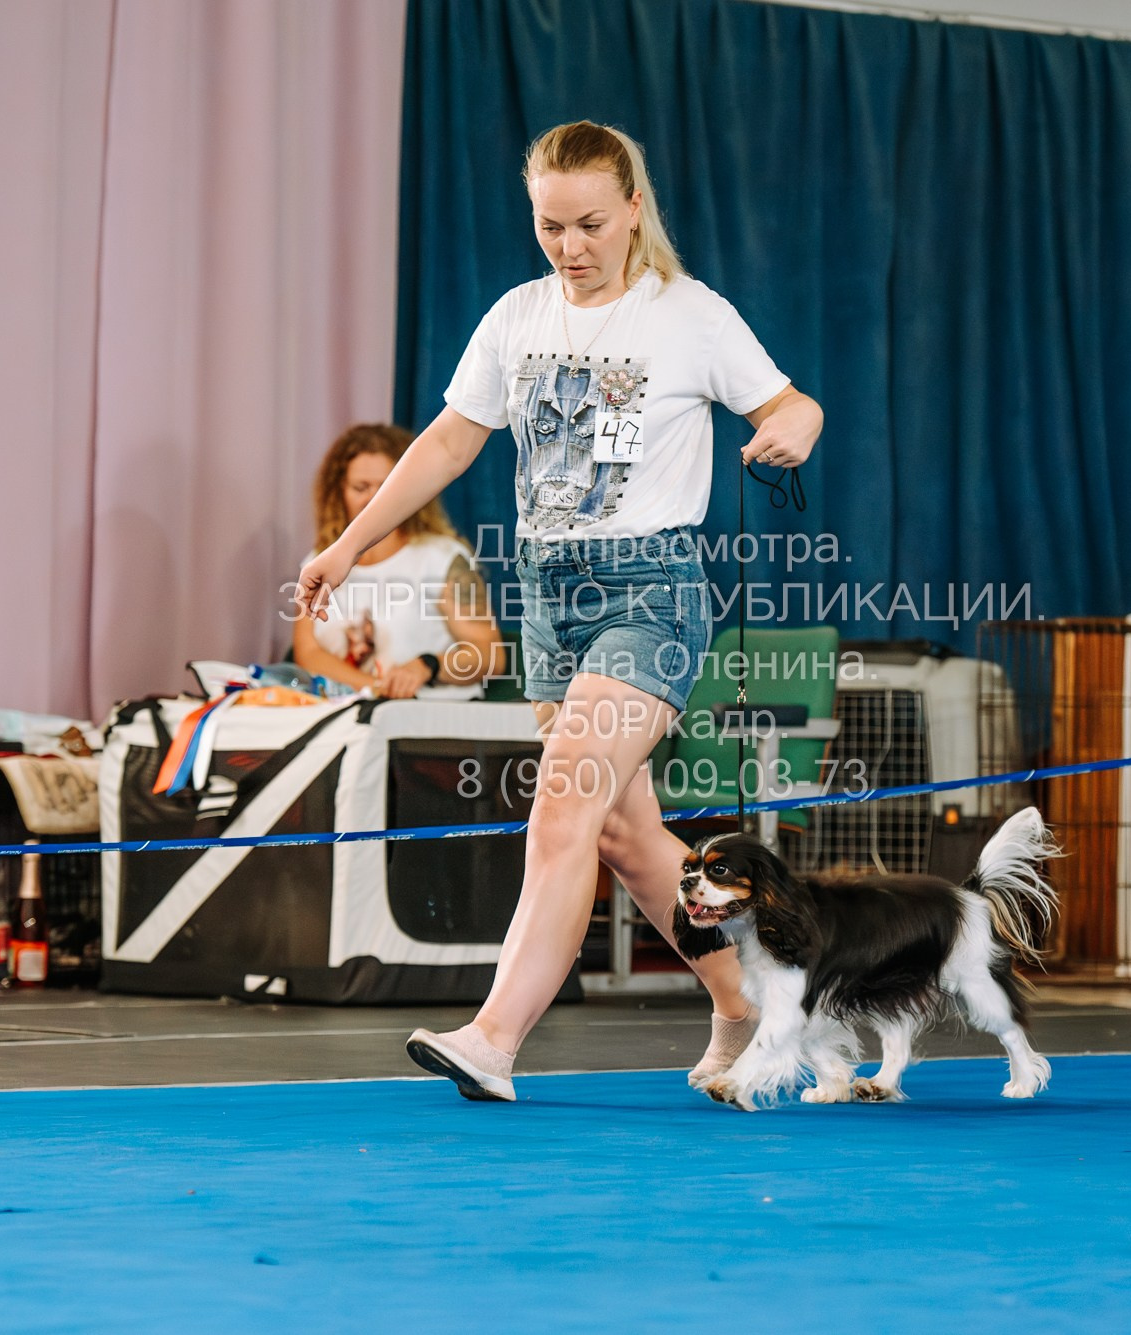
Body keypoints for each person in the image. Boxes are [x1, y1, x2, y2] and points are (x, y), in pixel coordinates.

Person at [296, 121, 823, 1100]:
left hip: (650, 595)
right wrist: (346, 544)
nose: (570, 248)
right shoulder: (515, 318)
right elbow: (451, 442)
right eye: (549, 227)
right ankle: (744, 1002)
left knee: (562, 805)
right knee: (622, 836)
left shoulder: (688, 316)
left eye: (588, 224)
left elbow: (792, 405)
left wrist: (785, 434)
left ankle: (494, 1037)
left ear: (632, 209)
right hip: (548, 599)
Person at [292, 423, 502, 700]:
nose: (374, 499)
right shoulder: (322, 560)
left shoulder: (442, 558)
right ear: (338, 492)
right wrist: (373, 688)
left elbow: (490, 655)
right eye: (360, 487)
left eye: (386, 488)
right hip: (345, 717)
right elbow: (307, 651)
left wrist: (429, 665)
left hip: (426, 722)